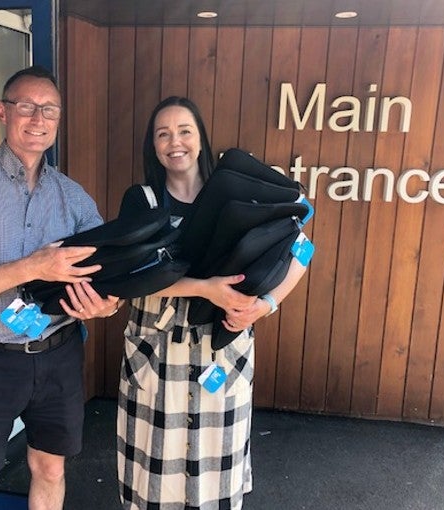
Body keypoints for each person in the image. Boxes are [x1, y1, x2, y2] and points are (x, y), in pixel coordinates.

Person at [0, 65, 121, 510]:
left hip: (59, 352)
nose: (38, 119)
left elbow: (107, 278)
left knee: (50, 467)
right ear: (2, 111)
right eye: (26, 107)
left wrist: (105, 306)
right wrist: (36, 266)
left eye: (49, 109)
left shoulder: (72, 195)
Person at [116, 96, 309, 509]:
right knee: (153, 476)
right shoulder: (143, 202)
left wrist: (267, 304)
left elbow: (304, 251)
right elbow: (131, 279)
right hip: (156, 354)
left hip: (222, 352)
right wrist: (205, 288)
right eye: (163, 134)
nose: (175, 142)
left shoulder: (238, 196)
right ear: (153, 145)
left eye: (185, 130)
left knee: (215, 479)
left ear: (201, 139)